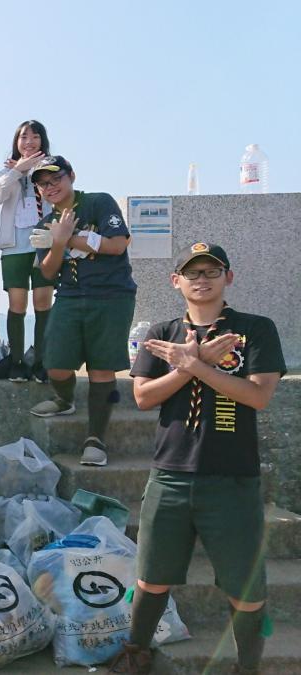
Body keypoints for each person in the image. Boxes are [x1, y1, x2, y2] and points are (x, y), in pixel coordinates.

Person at [111, 243, 285, 675]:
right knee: (151, 576)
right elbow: (143, 396)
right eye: (192, 272)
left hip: (231, 478)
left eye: (212, 270)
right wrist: (188, 365)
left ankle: (248, 667)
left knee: (245, 587)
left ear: (229, 277)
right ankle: (136, 653)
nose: (201, 279)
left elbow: (258, 396)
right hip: (170, 475)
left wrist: (200, 366)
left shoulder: (255, 329)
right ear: (176, 281)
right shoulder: (163, 331)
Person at [28, 155, 137, 467]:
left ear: (71, 176)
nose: (50, 188)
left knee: (102, 368)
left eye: (56, 179)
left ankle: (95, 439)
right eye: (43, 184)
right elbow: (48, 272)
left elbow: (117, 244)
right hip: (71, 296)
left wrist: (69, 238)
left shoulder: (98, 203)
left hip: (112, 295)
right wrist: (58, 244)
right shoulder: (43, 225)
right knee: (56, 364)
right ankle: (64, 398)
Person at [0, 120, 55, 383]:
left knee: (42, 303)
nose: (29, 142)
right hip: (14, 246)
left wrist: (37, 170)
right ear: (16, 142)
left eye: (35, 137)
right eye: (23, 137)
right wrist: (19, 170)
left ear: (42, 140)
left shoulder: (53, 166)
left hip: (45, 243)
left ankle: (41, 362)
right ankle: (16, 362)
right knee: (17, 304)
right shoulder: (7, 170)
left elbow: (60, 193)